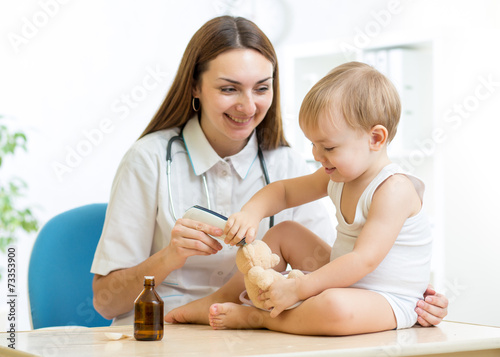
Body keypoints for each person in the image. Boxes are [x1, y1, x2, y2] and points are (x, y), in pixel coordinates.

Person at [91, 15, 447, 326]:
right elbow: (105, 302)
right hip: (170, 327)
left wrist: (407, 294)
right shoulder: (148, 159)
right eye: (229, 89)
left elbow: (332, 268)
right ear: (195, 87)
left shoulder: (294, 162)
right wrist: (170, 256)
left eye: (261, 88)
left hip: (262, 325)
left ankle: (249, 318)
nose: (248, 106)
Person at [206, 62, 439, 335]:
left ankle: (259, 318)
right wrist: (251, 213)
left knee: (334, 307)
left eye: (328, 146)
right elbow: (284, 192)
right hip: (346, 282)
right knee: (284, 232)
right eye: (313, 144)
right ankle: (225, 300)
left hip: (387, 299)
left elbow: (363, 260)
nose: (317, 155)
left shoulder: (394, 189)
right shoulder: (338, 174)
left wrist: (298, 288)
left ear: (375, 138)